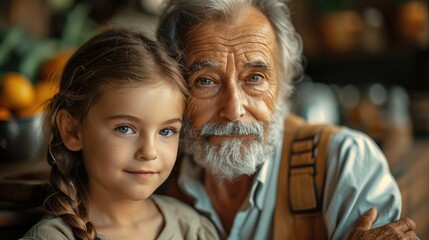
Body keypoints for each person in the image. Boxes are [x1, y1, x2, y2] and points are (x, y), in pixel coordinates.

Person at [155, 0, 418, 239]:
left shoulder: (344, 163)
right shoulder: (155, 178)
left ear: (282, 86)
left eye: (255, 78)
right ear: (174, 89)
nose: (234, 110)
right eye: (206, 81)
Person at [21, 28, 219, 240]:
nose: (149, 152)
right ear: (72, 131)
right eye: (125, 128)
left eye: (166, 131)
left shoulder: (192, 229)